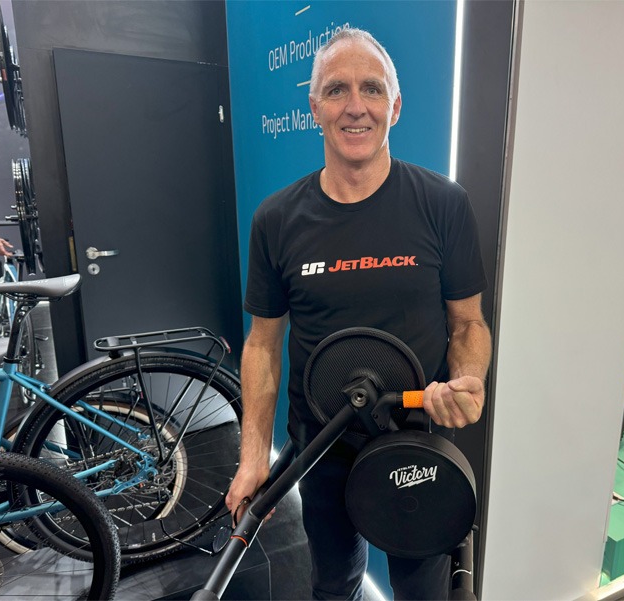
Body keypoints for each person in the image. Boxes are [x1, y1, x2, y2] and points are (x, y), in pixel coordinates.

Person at [226, 28, 492, 601]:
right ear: (315, 108)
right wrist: (252, 459)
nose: (355, 106)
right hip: (319, 447)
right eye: (336, 90)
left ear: (394, 106)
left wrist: (468, 381)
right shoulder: (275, 219)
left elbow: (468, 324)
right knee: (334, 586)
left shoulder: (443, 204)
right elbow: (262, 346)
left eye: (371, 89)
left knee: (424, 593)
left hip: (414, 441)